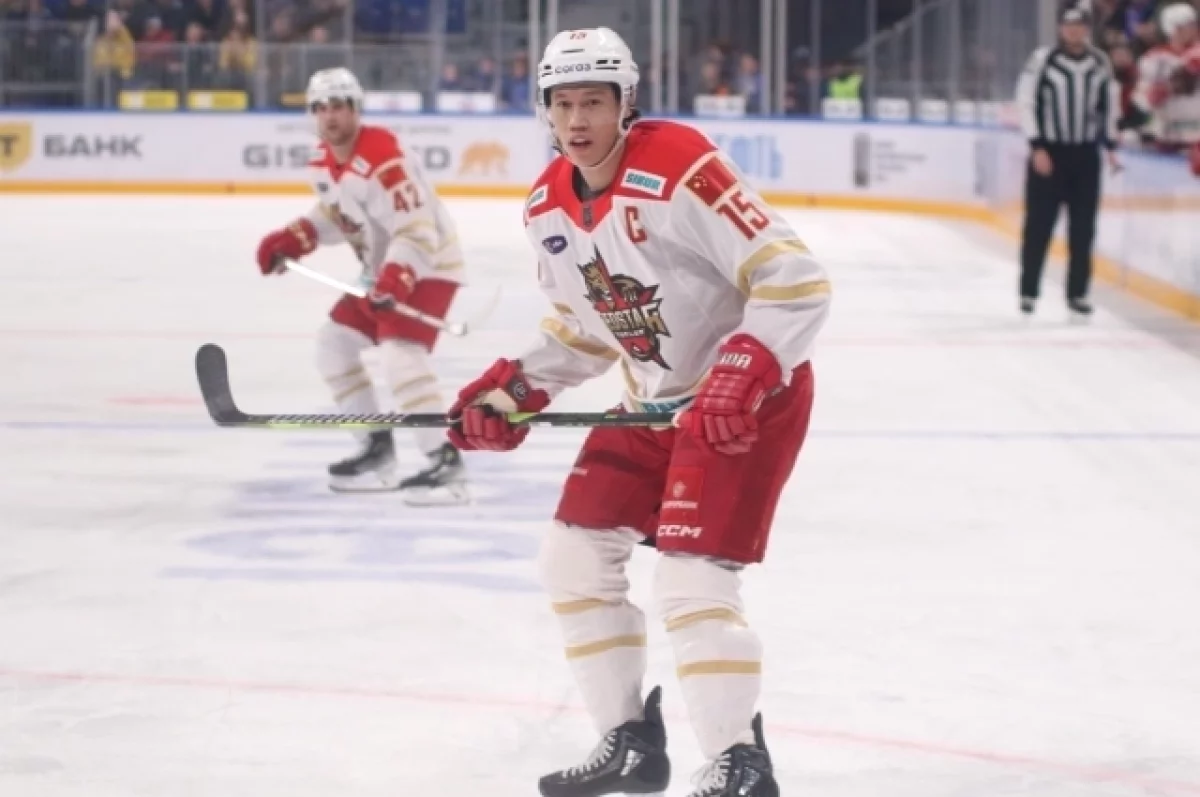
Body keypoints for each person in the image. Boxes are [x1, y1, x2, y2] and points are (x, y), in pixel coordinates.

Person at [447, 27, 831, 797]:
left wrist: (742, 368)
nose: (577, 119)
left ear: (627, 103)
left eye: (594, 101)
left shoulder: (681, 164)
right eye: (562, 103)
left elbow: (795, 278)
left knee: (690, 580)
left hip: (744, 405)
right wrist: (514, 389)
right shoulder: (547, 207)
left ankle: (740, 761)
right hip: (650, 406)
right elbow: (586, 327)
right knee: (572, 557)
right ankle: (628, 742)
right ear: (544, 110)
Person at [254, 67, 468, 504]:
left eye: (338, 106)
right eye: (320, 107)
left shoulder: (384, 158)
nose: (329, 115)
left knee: (400, 354)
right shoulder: (323, 163)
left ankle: (445, 463)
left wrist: (397, 278)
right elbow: (340, 215)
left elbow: (418, 228)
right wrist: (297, 237)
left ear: (355, 109)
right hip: (384, 273)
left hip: (428, 266)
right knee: (334, 344)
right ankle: (376, 449)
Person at [1016, 4, 1122, 319]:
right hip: (1050, 153)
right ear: (1061, 28)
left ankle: (1077, 293)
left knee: (1083, 229)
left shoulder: (1099, 61)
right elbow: (1025, 101)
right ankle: (1029, 290)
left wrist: (1110, 144)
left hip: (1085, 155)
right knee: (1039, 226)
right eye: (1068, 25)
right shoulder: (1043, 59)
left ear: (1087, 29)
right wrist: (1037, 145)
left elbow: (1109, 105)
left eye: (1080, 25)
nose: (1074, 31)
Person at [1133, 3, 1200, 153]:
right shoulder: (1154, 58)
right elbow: (1140, 98)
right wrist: (1154, 95)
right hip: (1168, 134)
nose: (1194, 29)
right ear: (1174, 28)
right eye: (1188, 25)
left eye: (1194, 24)